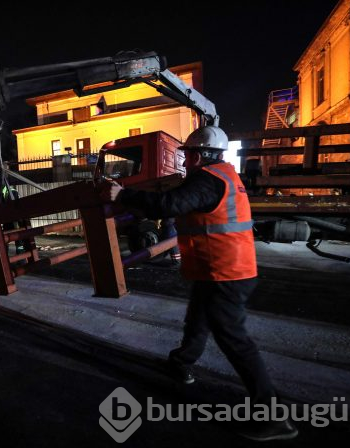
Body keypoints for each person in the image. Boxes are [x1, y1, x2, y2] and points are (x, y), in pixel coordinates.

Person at [100, 125, 298, 442]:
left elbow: (168, 205)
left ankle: (273, 416)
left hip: (226, 273)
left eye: (188, 155)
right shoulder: (222, 176)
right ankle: (181, 361)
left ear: (200, 155)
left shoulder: (207, 180)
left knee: (233, 339)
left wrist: (123, 194)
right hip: (220, 269)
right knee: (198, 317)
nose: (184, 161)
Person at [0, 177, 26, 254]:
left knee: (19, 240)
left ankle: (22, 260)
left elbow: (13, 207)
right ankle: (6, 259)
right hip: (7, 220)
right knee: (4, 239)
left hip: (16, 220)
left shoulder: (11, 192)